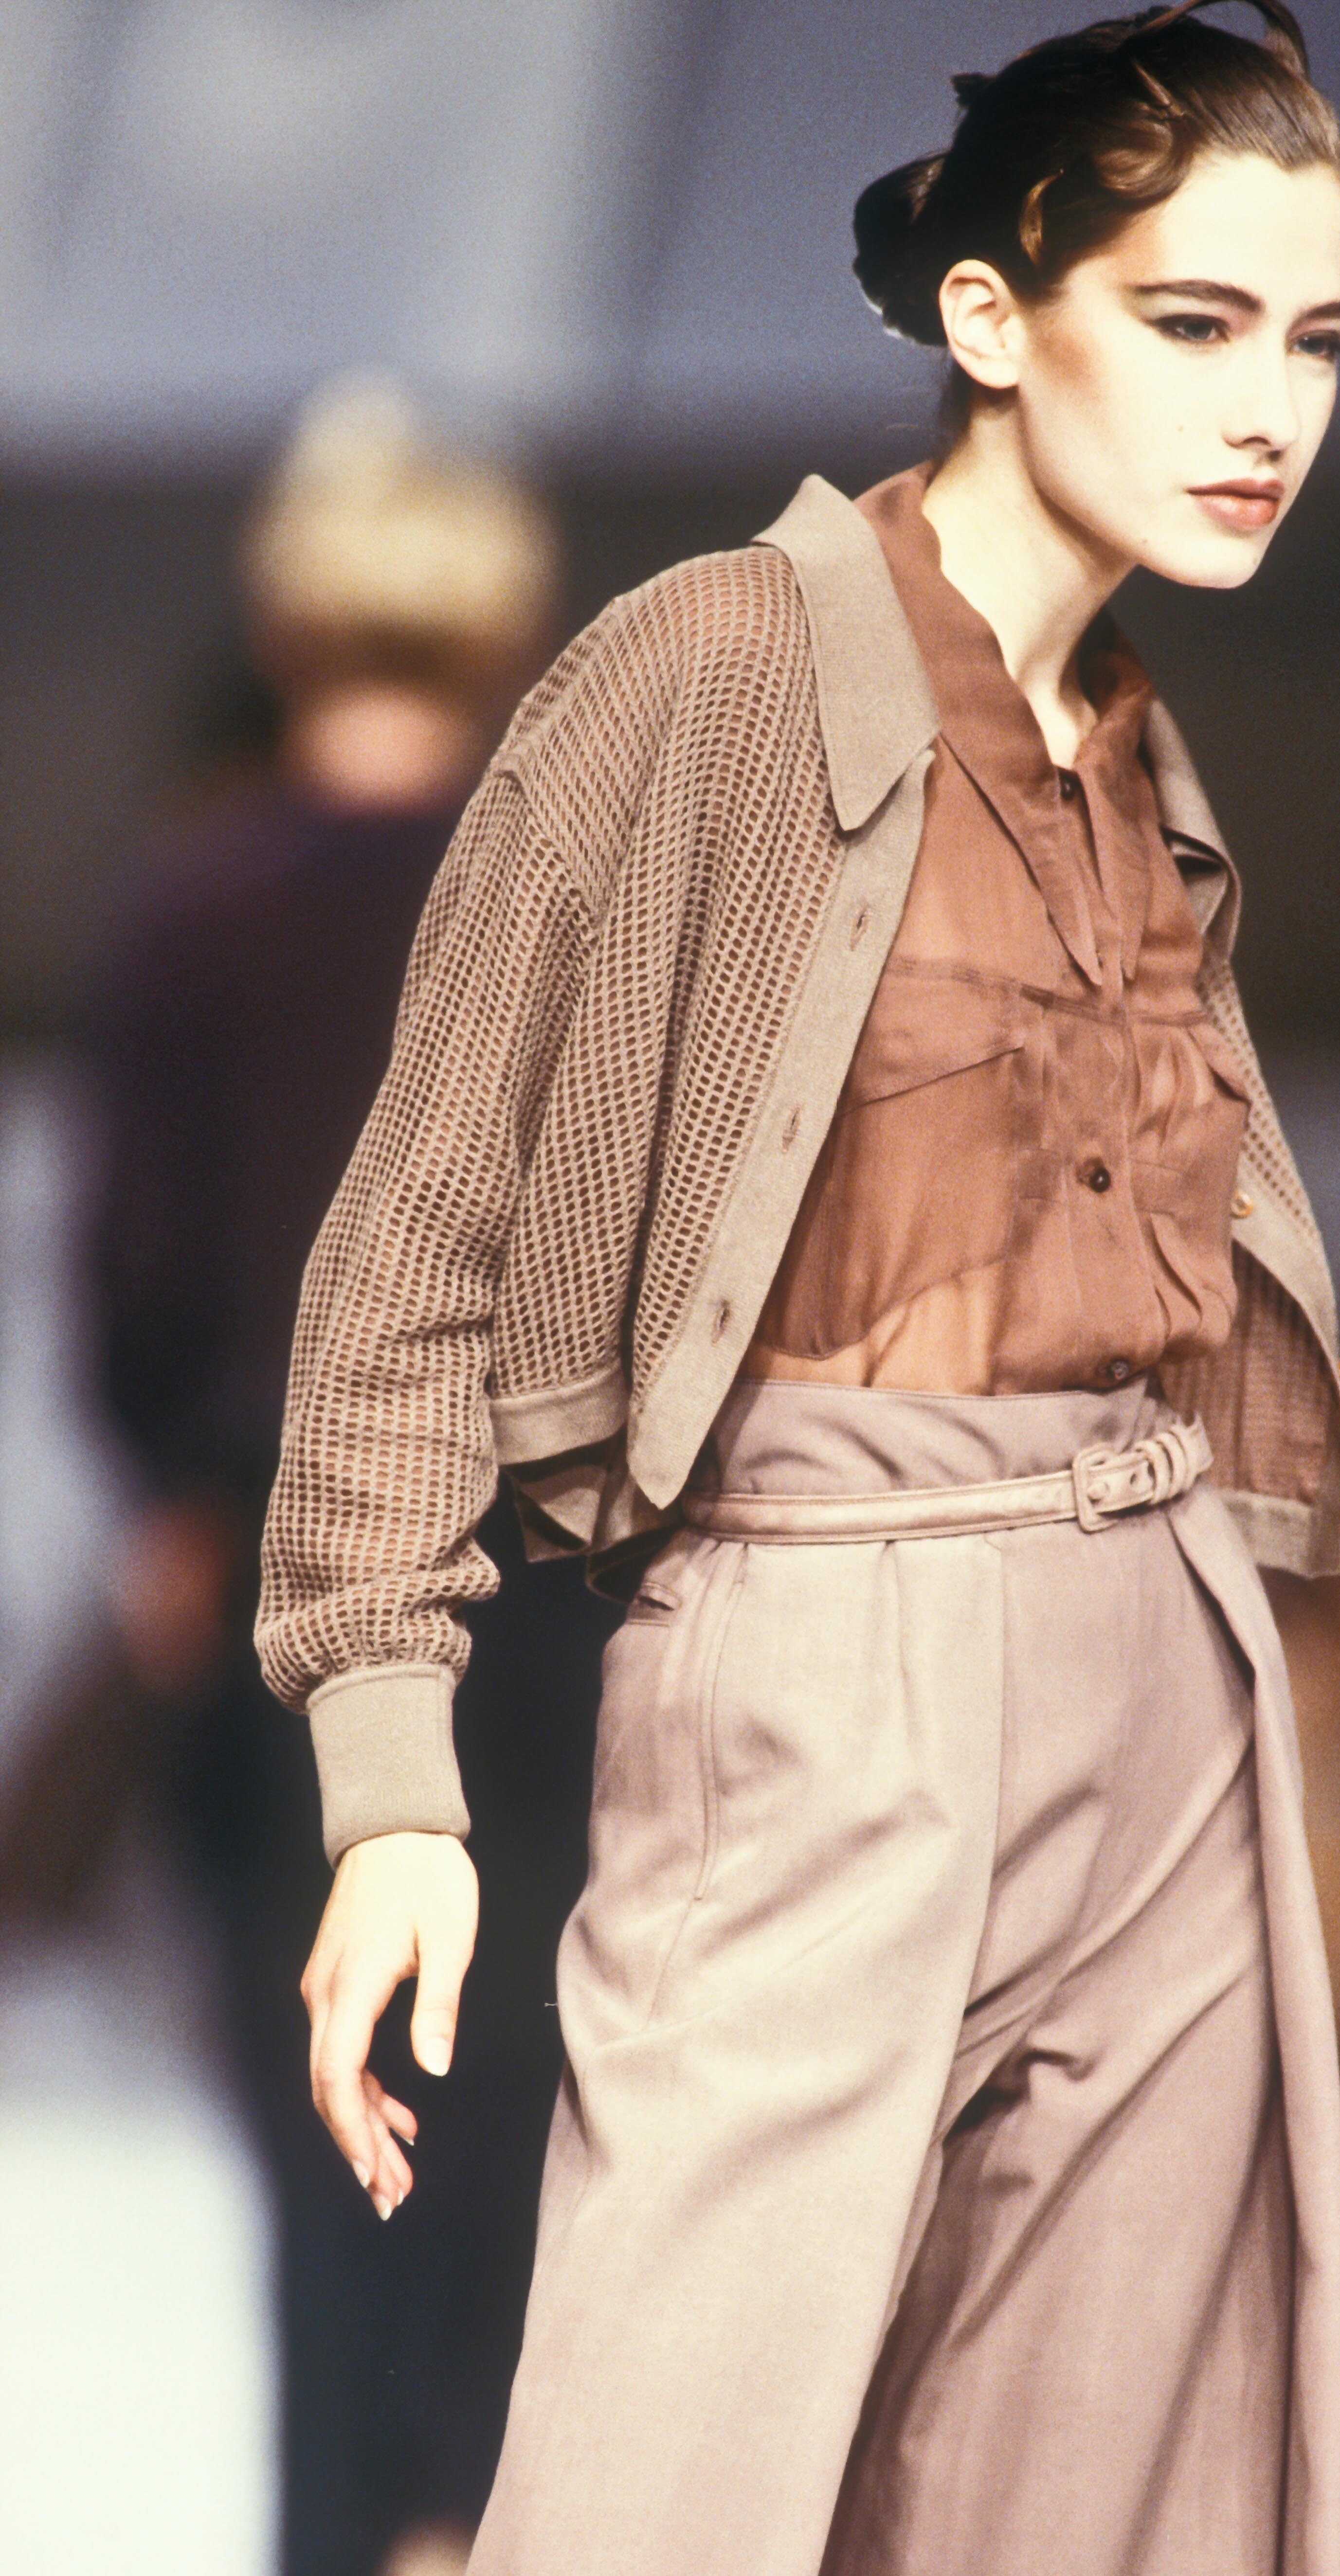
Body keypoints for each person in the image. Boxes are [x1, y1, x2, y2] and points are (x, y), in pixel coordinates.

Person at [259, 8, 1340, 2570]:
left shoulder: (1131, 755)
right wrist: (393, 1784)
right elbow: (416, 1238)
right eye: (1192, 321)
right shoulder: (714, 669)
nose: (1266, 411)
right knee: (661, 2500)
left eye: (1311, 338)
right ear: (992, 314)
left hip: (1161, 1672)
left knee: (1096, 2520)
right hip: (813, 1664)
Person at [93, 379, 606, 2576]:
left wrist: (173, 1494)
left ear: (287, 614)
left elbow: (137, 1277)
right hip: (537, 1580)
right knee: (531, 2111)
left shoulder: (188, 909)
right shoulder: (569, 900)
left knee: (325, 2125)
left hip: (279, 1576)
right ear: (505, 622)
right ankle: (486, 2531)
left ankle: (351, 2534)